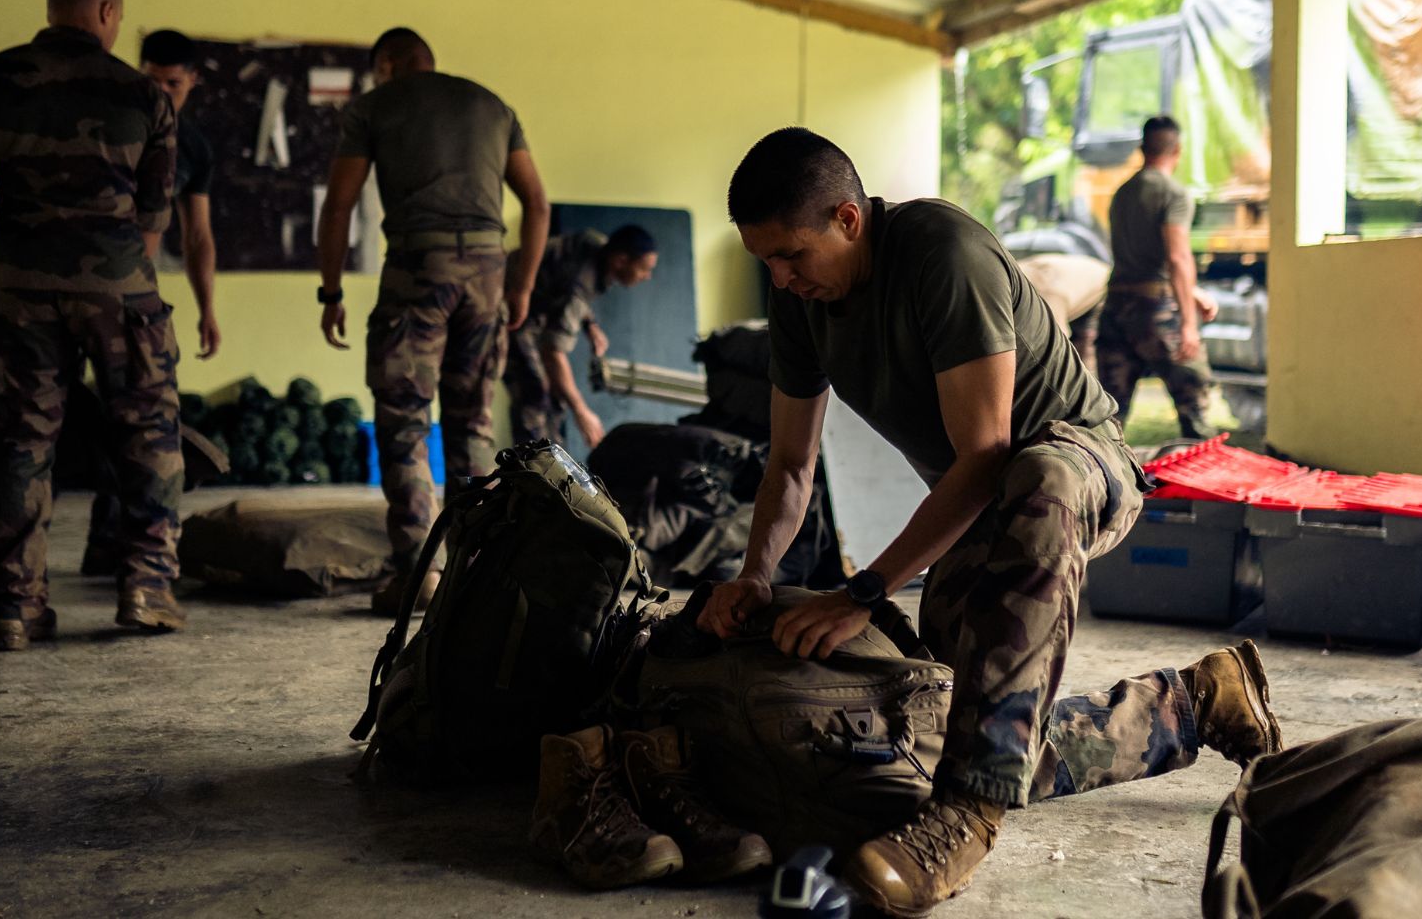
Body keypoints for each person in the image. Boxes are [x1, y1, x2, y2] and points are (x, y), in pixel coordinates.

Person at [697, 128, 1282, 917]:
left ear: (848, 218)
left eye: (792, 255)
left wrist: (864, 591)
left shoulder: (941, 253)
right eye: (765, 259)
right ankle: (1199, 700)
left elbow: (987, 455)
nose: (781, 277)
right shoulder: (801, 302)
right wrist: (755, 576)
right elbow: (790, 467)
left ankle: (970, 816)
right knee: (957, 734)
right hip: (981, 508)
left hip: (1079, 470)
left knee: (1037, 478)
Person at [0, 0, 187, 650]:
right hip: (122, 292)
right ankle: (146, 588)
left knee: (21, 445)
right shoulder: (143, 94)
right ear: (105, 12)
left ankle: (16, 605)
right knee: (149, 435)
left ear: (53, 10)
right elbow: (154, 222)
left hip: (18, 292)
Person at [314, 27, 548, 616]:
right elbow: (538, 205)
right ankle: (472, 572)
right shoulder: (492, 105)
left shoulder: (374, 106)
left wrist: (332, 289)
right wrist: (519, 287)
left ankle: (419, 573)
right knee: (473, 424)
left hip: (419, 269)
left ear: (386, 65)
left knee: (405, 421)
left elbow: (339, 202)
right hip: (488, 275)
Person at [81, 28, 221, 578]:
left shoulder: (195, 145)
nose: (161, 93)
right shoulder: (110, 120)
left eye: (173, 84)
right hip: (78, 286)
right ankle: (116, 558)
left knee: (139, 421)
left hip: (137, 299)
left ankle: (123, 551)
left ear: (193, 82)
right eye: (152, 80)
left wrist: (207, 307)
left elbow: (200, 235)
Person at [1094, 116, 1215, 439]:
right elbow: (1176, 257)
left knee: (1109, 412)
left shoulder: (1123, 193)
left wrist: (1195, 292)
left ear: (1142, 148)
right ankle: (1198, 479)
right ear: (1178, 150)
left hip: (1115, 307)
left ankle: (1104, 480)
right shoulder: (1173, 194)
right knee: (1194, 390)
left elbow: (1140, 257)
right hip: (1154, 311)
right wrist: (1189, 324)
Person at [501, 224, 658, 449]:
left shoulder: (598, 248)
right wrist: (581, 411)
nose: (647, 276)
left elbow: (564, 280)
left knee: (555, 396)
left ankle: (551, 464)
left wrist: (590, 325)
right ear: (621, 260)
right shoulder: (580, 284)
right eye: (643, 268)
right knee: (534, 393)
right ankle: (531, 472)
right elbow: (553, 353)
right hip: (503, 306)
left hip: (529, 309)